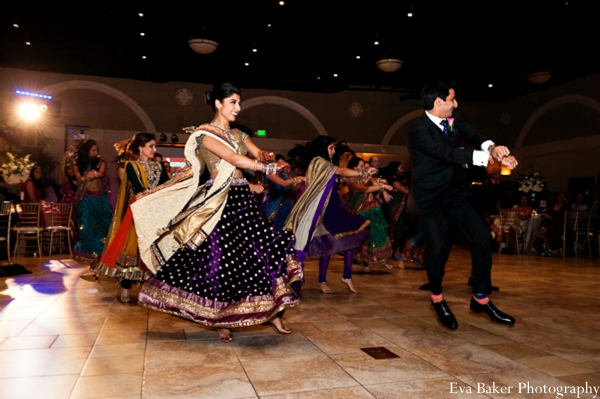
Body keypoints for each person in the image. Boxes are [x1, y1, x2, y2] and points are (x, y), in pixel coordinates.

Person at [132, 82, 302, 343]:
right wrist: (265, 168)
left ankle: (274, 312)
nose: (238, 107)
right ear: (218, 104)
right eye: (233, 101)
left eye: (239, 102)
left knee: (261, 249)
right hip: (218, 201)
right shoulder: (204, 134)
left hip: (242, 198)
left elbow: (258, 154)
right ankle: (221, 320)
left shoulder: (239, 134)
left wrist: (270, 158)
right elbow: (234, 160)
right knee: (219, 259)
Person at [406, 79, 518, 330]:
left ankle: (481, 298)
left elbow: (472, 134)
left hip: (454, 191)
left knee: (481, 237)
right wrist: (486, 157)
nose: (456, 104)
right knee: (437, 247)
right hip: (430, 196)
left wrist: (494, 148)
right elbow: (448, 154)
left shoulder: (453, 121)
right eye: (452, 99)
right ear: (438, 102)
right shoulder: (418, 130)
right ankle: (437, 298)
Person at [284, 136, 374, 294]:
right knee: (319, 244)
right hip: (322, 210)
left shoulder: (328, 165)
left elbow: (345, 176)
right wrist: (362, 172)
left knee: (350, 237)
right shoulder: (319, 162)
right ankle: (311, 281)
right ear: (322, 149)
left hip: (333, 209)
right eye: (331, 148)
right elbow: (340, 171)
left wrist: (363, 174)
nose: (333, 151)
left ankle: (346, 276)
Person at [96, 133, 169, 302]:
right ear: (140, 147)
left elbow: (165, 184)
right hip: (139, 209)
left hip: (155, 209)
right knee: (131, 248)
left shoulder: (159, 166)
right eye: (151, 146)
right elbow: (139, 187)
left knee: (154, 248)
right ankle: (125, 289)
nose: (154, 149)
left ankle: (153, 290)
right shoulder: (131, 166)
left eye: (154, 146)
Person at [347, 156, 395, 271]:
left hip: (374, 207)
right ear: (354, 167)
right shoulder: (351, 180)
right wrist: (383, 186)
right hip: (362, 209)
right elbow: (366, 189)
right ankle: (365, 262)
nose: (363, 168)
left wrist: (384, 193)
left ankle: (383, 259)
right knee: (366, 235)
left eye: (364, 166)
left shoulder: (367, 177)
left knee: (381, 231)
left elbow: (374, 182)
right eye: (361, 166)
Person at [71, 140, 113, 262]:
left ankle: (103, 251)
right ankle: (88, 252)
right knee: (87, 225)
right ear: (86, 151)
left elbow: (100, 173)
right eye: (93, 150)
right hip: (86, 199)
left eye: (97, 151)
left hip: (100, 199)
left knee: (104, 225)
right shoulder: (77, 164)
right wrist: (86, 177)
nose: (96, 153)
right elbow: (79, 179)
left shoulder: (100, 162)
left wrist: (94, 173)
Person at [261, 154, 305, 230]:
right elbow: (283, 183)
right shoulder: (270, 174)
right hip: (274, 205)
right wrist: (296, 178)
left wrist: (299, 179)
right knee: (272, 228)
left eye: (283, 164)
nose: (282, 166)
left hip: (285, 205)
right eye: (280, 164)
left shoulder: (285, 175)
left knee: (284, 229)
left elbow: (294, 187)